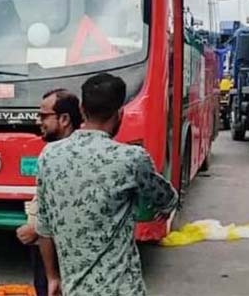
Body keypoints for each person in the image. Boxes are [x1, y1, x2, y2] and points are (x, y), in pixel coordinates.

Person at [36, 73, 178, 296]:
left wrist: (52, 276)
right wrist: (167, 207)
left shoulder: (49, 155)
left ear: (82, 110)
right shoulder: (132, 158)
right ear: (119, 113)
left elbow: (44, 225)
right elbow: (166, 198)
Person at [16, 89, 81, 296]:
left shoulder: (72, 156)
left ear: (64, 119)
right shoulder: (53, 153)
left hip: (60, 251)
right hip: (45, 250)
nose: (38, 122)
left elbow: (72, 207)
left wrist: (35, 229)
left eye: (44, 116)